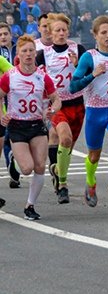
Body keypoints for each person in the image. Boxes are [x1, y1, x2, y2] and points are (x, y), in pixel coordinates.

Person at [70, 15, 108, 208]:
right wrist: (93, 74)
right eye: (103, 33)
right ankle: (90, 182)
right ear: (95, 35)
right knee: (94, 156)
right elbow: (73, 86)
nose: (107, 36)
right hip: (95, 112)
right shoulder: (89, 57)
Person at [0, 35, 61, 220]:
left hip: (36, 125)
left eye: (31, 51)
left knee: (40, 166)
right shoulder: (9, 76)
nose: (28, 54)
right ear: (18, 54)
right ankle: (13, 158)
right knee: (26, 168)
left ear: (36, 53)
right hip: (17, 126)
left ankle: (30, 205)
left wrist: (51, 110)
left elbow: (56, 99)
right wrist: (2, 116)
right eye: (24, 51)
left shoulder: (42, 76)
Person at [37, 14, 86, 204]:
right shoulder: (44, 54)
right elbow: (34, 78)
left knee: (67, 148)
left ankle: (57, 171)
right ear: (50, 32)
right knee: (63, 138)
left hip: (78, 104)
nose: (61, 33)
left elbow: (90, 75)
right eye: (57, 30)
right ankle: (63, 186)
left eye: (64, 30)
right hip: (57, 105)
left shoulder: (78, 49)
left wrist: (77, 65)